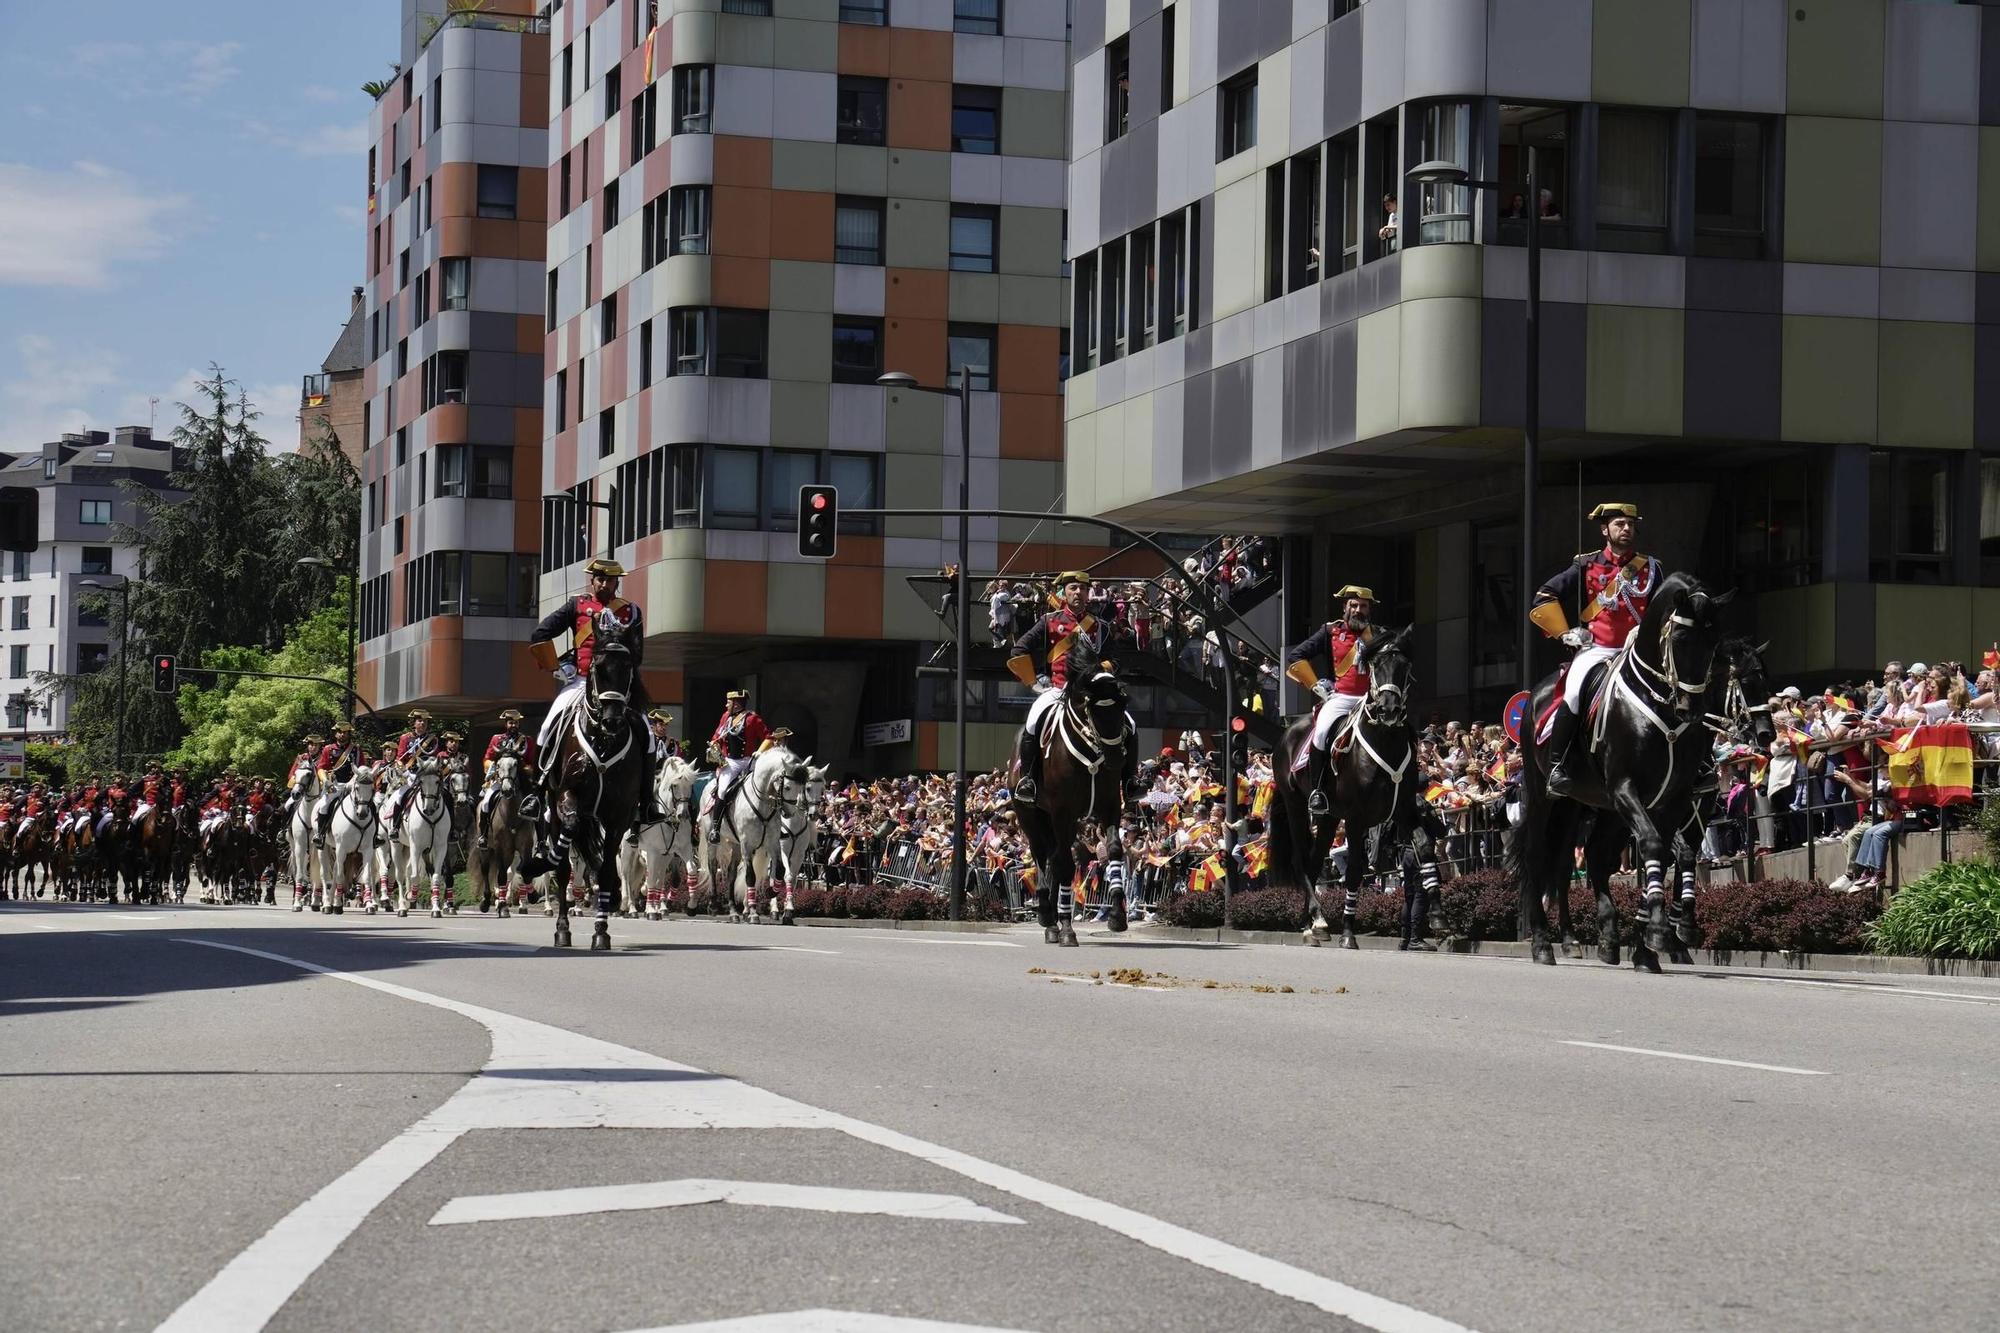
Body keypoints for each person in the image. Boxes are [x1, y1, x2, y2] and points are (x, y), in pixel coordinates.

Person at [1527, 502, 1663, 796]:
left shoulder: (1651, 568)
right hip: (1599, 649)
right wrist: (1565, 633)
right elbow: (1545, 595)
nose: (1626, 529)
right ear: (1605, 530)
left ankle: (1698, 763)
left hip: (1639, 650)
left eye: (1630, 524)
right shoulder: (1587, 565)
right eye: (1619, 524)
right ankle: (1556, 767)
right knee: (1573, 692)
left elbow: (1663, 608)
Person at [528, 557, 653, 836]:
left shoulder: (631, 612)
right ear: (592, 580)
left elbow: (639, 655)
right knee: (548, 726)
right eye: (600, 579)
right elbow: (541, 633)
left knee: (648, 734)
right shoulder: (577, 605)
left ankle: (647, 801)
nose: (605, 584)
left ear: (617, 582)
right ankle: (536, 792)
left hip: (618, 687)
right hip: (582, 681)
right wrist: (556, 666)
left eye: (610, 580)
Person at [1007, 570, 1139, 804]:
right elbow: (1019, 649)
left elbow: (1117, 660)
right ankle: (1028, 778)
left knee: (1129, 722)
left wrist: (1100, 670)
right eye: (1073, 589)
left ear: (1089, 593)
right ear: (1065, 593)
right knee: (1033, 722)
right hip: (1058, 689)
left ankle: (1130, 781)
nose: (1079, 593)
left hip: (1092, 692)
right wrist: (1033, 682)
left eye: (1083, 589)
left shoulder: (1101, 627)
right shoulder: (1049, 621)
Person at [1284, 585, 1379, 817]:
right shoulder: (1329, 632)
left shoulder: (1378, 634)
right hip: (1342, 698)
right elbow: (1295, 656)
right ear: (1345, 607)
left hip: (1372, 699)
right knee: (1320, 732)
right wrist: (1316, 685)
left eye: (1363, 606)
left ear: (1369, 610)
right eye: (1353, 605)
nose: (1358, 610)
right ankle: (1318, 791)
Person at [707, 690, 770, 842]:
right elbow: (717, 736)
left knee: (767, 787)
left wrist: (760, 751)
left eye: (729, 702)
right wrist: (714, 745)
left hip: (749, 760)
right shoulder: (725, 717)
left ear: (736, 704)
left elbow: (769, 737)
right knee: (722, 790)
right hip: (731, 762)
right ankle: (715, 829)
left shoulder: (753, 718)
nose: (726, 704)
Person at [476, 709, 538, 845]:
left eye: (515, 723)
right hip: (501, 778)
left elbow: (532, 762)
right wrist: (494, 767)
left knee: (536, 803)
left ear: (519, 724)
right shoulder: (496, 739)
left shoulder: (527, 741)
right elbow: (487, 758)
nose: (513, 725)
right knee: (486, 803)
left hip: (521, 780)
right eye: (511, 723)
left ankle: (540, 841)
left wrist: (526, 769)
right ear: (506, 724)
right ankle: (484, 836)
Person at [312, 722, 364, 847]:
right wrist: (325, 781)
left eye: (345, 732)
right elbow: (321, 768)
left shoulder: (356, 749)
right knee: (324, 806)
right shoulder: (328, 749)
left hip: (352, 785)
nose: (342, 735)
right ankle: (320, 833)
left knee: (370, 804)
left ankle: (374, 835)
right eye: (340, 732)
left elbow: (362, 767)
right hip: (334, 785)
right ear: (336, 733)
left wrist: (353, 781)